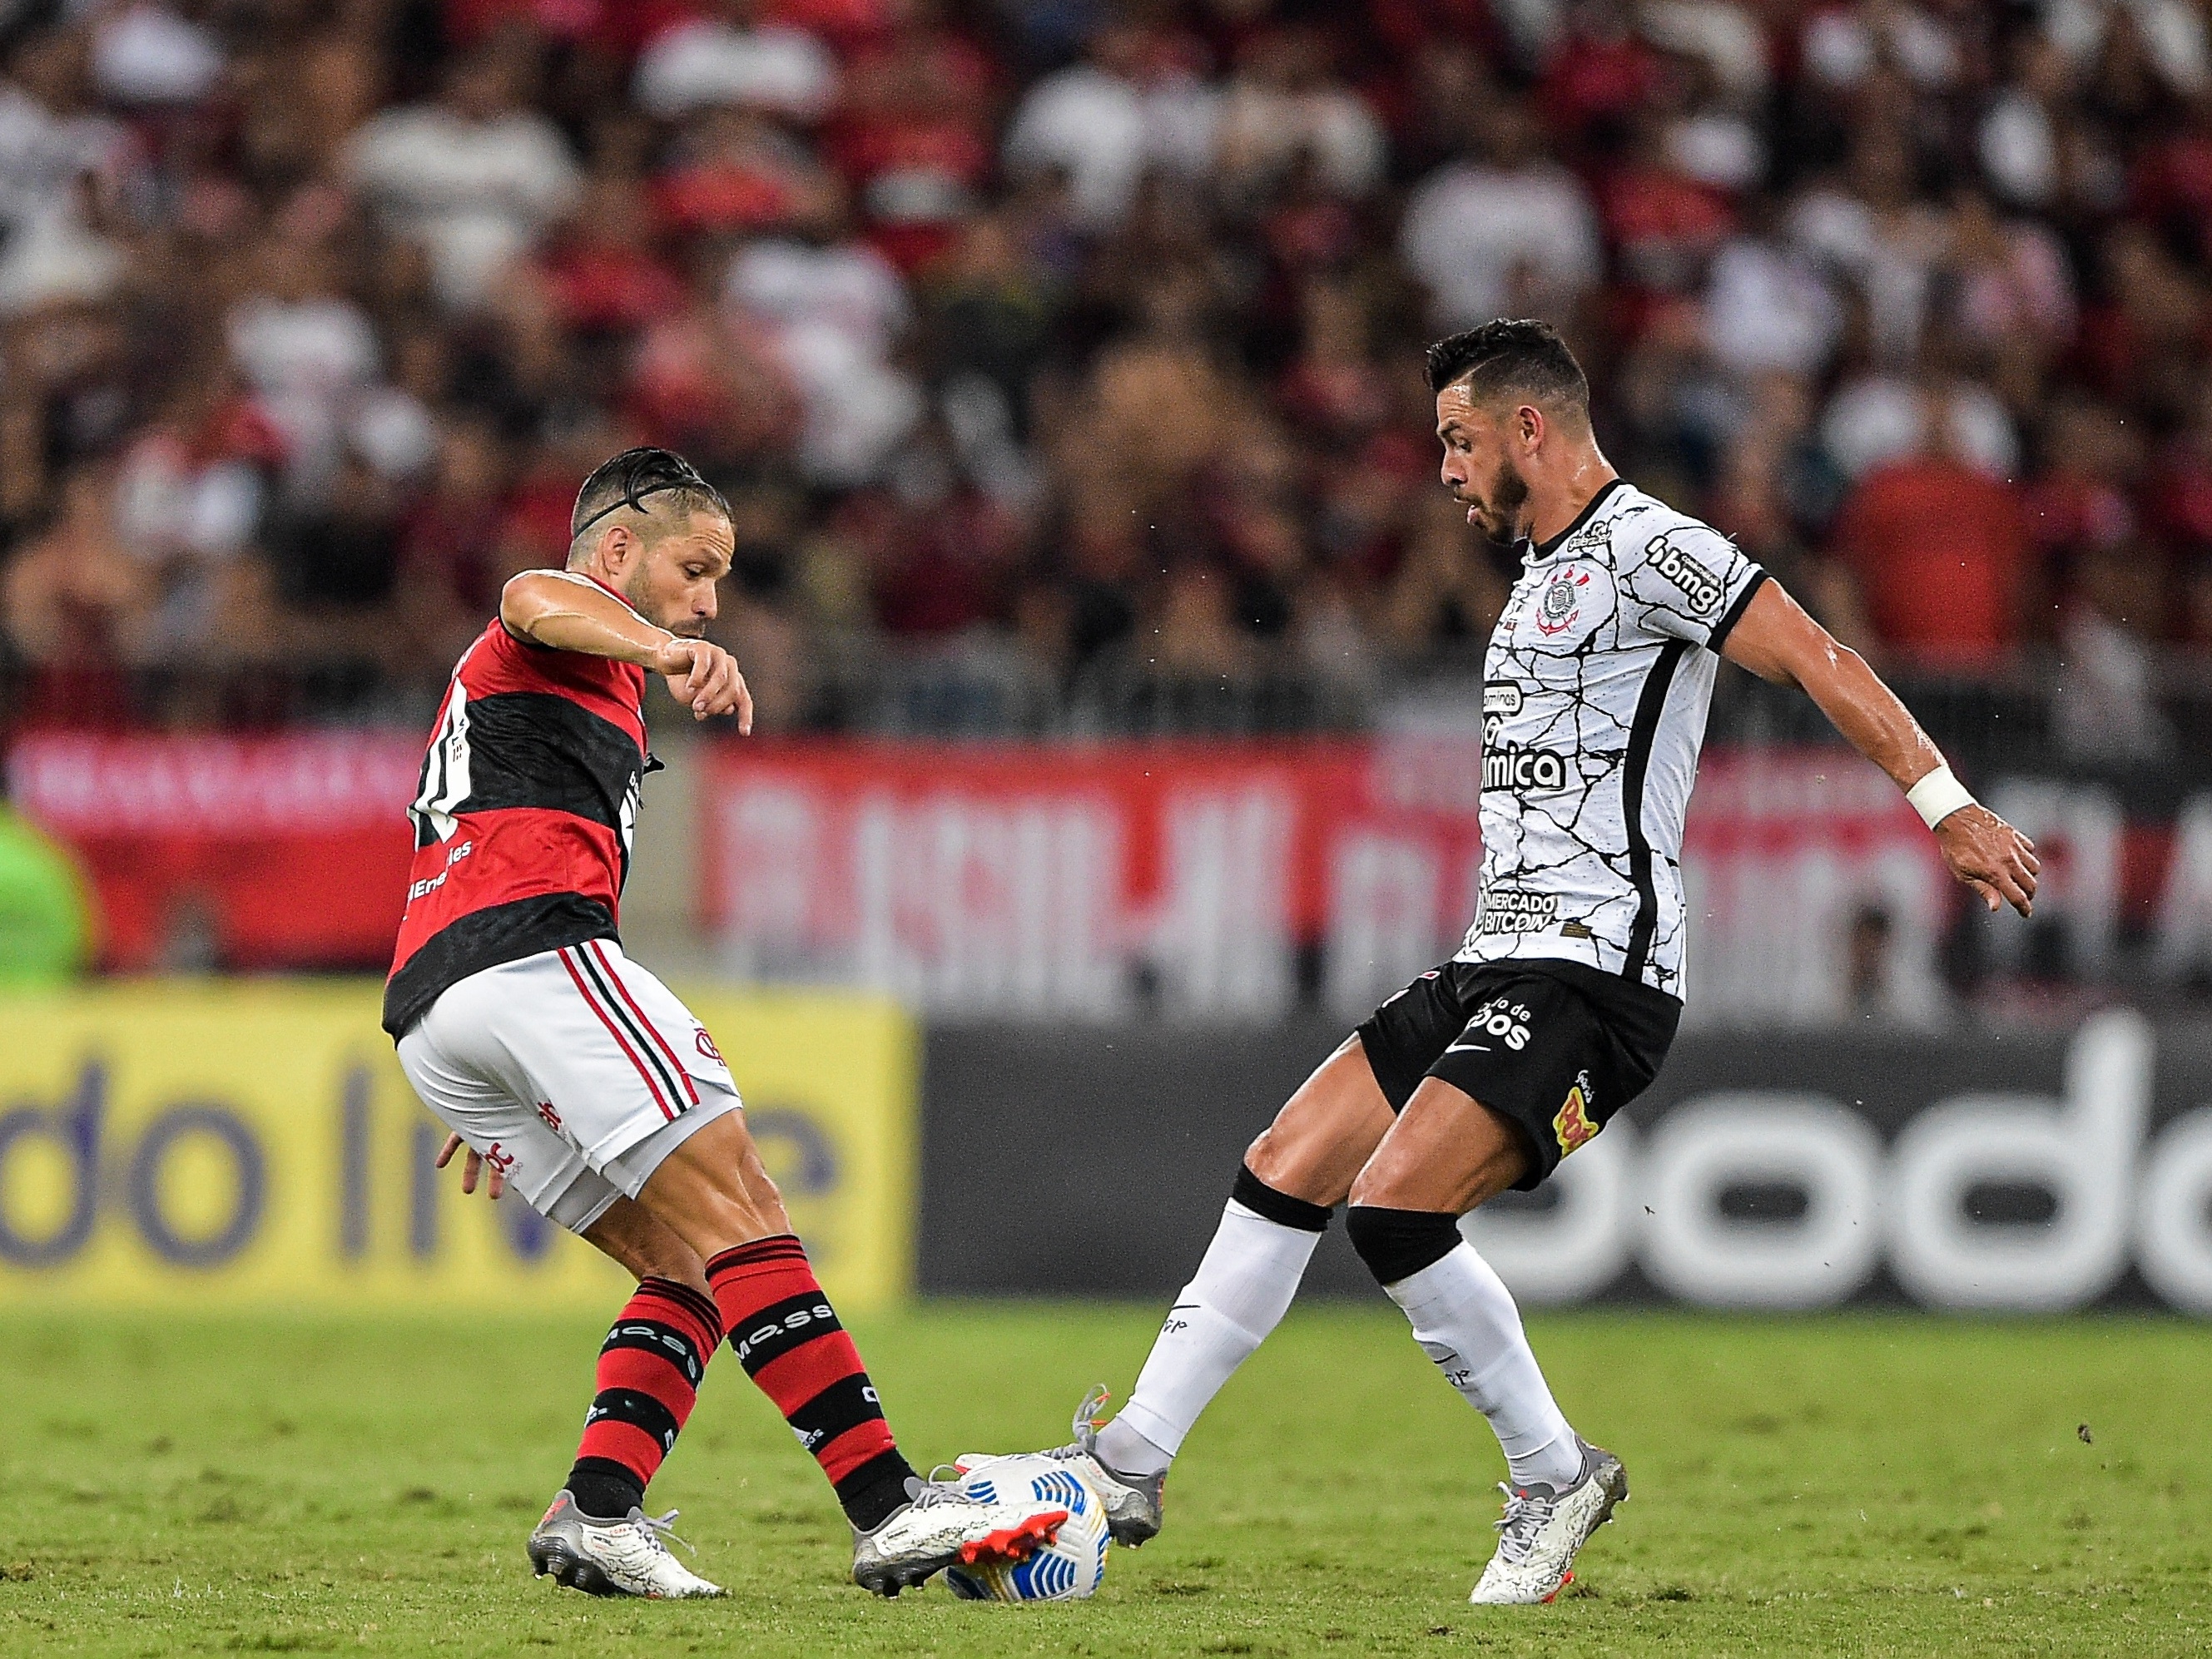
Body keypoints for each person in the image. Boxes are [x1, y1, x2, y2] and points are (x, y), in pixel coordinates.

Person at [1023, 320, 2040, 1605]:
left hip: (1596, 971)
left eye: (1456, 439)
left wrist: (1940, 800)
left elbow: (1816, 657)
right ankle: (1127, 1464)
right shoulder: (1539, 568)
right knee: (1288, 1161)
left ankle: (1553, 1472)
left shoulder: (1652, 549)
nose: (1442, 468)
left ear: (1529, 429)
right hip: (1495, 954)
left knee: (1395, 1211)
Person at [389, 446, 1068, 1598]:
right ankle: (889, 1504)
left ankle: (598, 1513)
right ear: (617, 549)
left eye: (716, 583)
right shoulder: (560, 618)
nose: (709, 601)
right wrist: (663, 643)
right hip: (530, 956)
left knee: (689, 1267)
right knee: (743, 1206)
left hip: (440, 1005)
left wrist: (488, 1038)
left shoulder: (563, 695)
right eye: (693, 569)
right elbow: (529, 594)